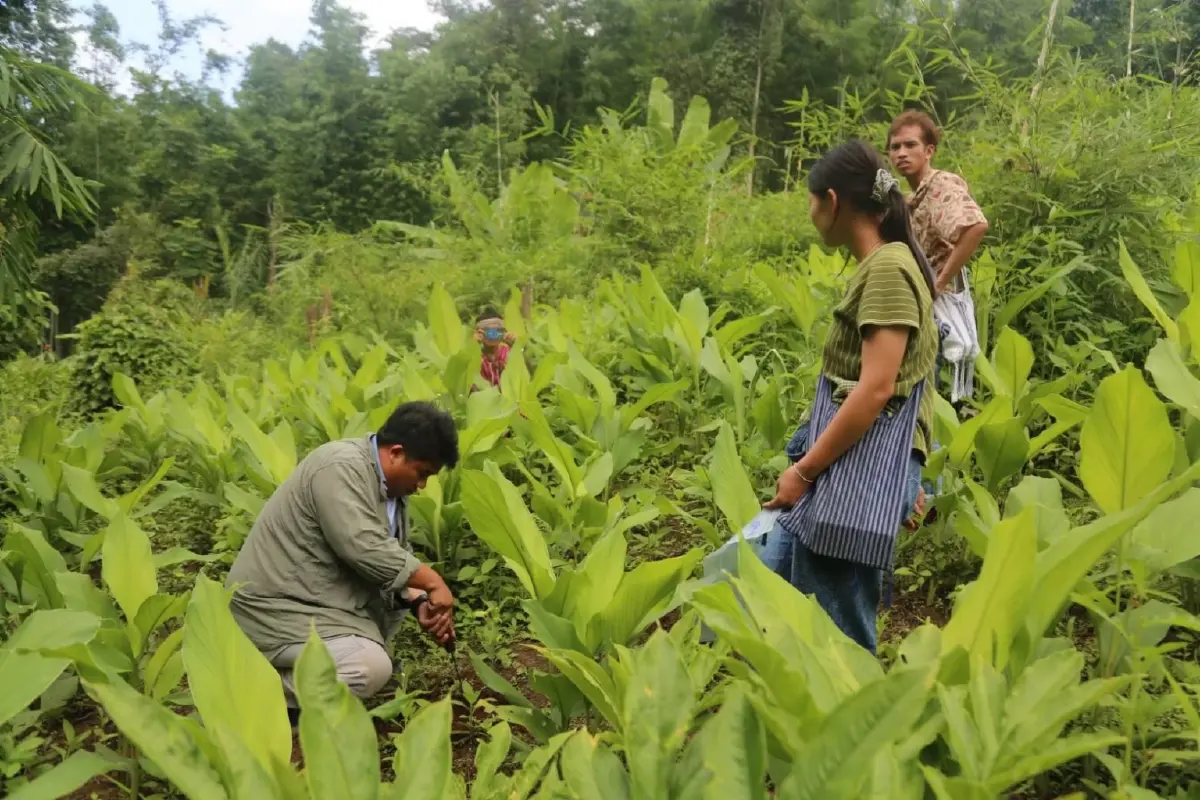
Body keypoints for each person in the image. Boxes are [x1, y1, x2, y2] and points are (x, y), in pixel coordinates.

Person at [762, 140, 938, 654]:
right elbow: (912, 380)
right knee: (792, 602)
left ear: (832, 201)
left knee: (835, 635)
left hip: (856, 474)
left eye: (812, 200)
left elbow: (877, 388)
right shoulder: (893, 264)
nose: (811, 211)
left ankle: (852, 724)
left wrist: (802, 471)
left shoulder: (887, 269)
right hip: (864, 468)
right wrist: (912, 466)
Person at [226, 401, 459, 710]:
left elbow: (395, 554)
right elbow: (363, 546)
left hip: (316, 605)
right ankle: (252, 694)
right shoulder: (339, 466)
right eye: (422, 473)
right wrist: (433, 582)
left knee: (373, 660)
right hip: (275, 609)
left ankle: (293, 679)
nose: (421, 486)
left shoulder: (390, 490)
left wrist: (419, 601)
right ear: (396, 452)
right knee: (366, 668)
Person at [886, 110, 989, 297]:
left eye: (910, 145)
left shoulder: (939, 186)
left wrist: (938, 285)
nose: (901, 153)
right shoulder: (912, 199)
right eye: (895, 147)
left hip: (942, 305)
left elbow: (975, 226)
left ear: (928, 151)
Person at [475, 308, 515, 388]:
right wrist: (470, 346)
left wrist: (516, 347)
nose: (491, 335)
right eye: (486, 331)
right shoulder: (476, 358)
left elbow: (525, 376)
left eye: (495, 331)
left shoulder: (509, 353)